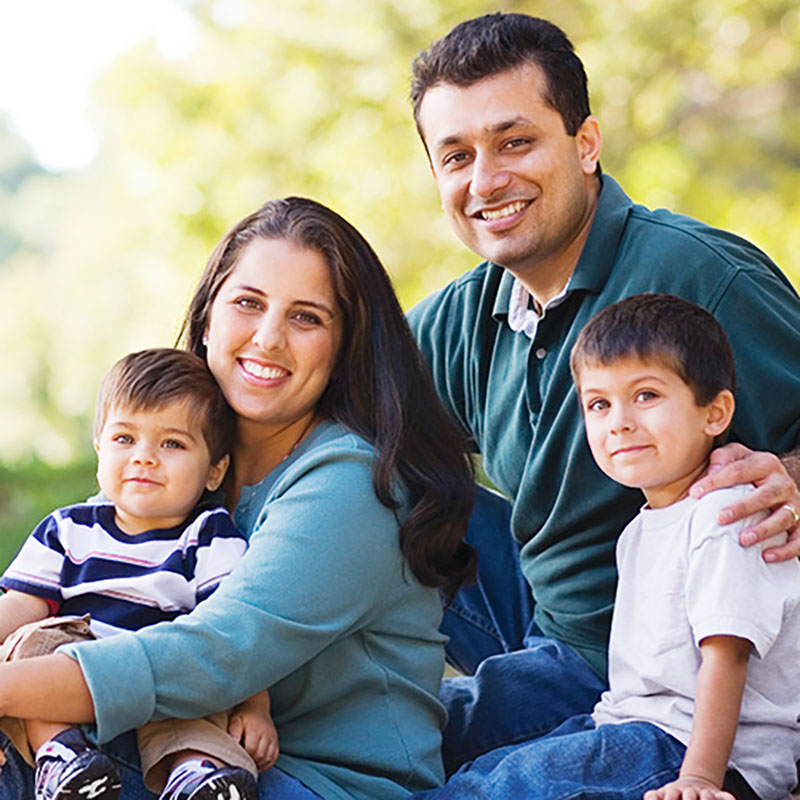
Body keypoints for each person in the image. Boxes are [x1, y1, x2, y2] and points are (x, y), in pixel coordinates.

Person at [406, 11, 800, 774]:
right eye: (457, 155)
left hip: (654, 661)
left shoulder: (700, 278)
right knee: (369, 466)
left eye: (515, 141)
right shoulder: (467, 315)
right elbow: (323, 400)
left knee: (431, 762)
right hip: (539, 608)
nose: (486, 180)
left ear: (585, 145)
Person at [0, 197, 476, 800]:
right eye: (248, 304)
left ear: (342, 348)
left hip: (314, 779)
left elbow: (215, 654)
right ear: (207, 319)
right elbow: (49, 597)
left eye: (307, 318)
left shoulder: (351, 482)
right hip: (166, 746)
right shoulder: (174, 460)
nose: (269, 338)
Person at [411, 293, 800, 800]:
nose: (619, 421)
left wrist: (701, 780)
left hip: (689, 750)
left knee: (496, 788)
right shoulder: (643, 526)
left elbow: (726, 656)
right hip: (628, 727)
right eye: (599, 404)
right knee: (484, 773)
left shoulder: (723, 515)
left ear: (715, 412)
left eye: (646, 396)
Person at [0, 348, 278, 800]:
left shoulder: (209, 536)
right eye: (125, 439)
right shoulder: (69, 529)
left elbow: (236, 636)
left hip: (163, 685)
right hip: (70, 680)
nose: (144, 457)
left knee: (196, 692)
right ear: (98, 449)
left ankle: (194, 774)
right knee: (33, 644)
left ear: (214, 470)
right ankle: (63, 758)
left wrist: (255, 708)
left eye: (172, 444)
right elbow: (21, 605)